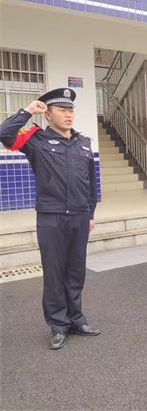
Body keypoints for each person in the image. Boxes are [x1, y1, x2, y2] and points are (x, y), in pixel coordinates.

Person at [0, 88, 101, 349]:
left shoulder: (83, 142)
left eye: (71, 110)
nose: (68, 115)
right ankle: (58, 325)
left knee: (76, 271)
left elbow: (91, 183)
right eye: (62, 110)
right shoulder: (36, 141)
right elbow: (4, 134)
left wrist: (90, 214)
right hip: (51, 217)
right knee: (54, 273)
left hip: (79, 216)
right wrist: (27, 111)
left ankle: (76, 319)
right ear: (48, 114)